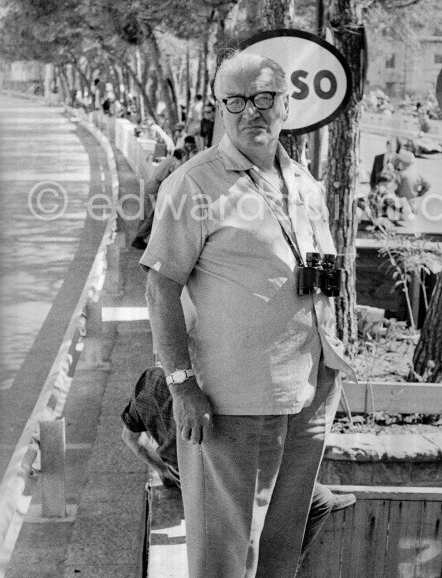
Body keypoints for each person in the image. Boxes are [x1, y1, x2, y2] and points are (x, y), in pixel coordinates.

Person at [140, 51, 355, 578]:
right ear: (219, 107)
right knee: (224, 556)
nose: (249, 112)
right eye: (234, 101)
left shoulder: (302, 181)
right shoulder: (194, 183)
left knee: (281, 551)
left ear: (286, 105)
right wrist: (182, 386)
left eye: (263, 99)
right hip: (231, 400)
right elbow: (160, 285)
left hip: (307, 391)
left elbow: (317, 272)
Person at [121, 368, 356, 561]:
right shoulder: (213, 387)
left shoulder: (149, 381)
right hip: (224, 480)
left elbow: (130, 438)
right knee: (321, 499)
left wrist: (164, 470)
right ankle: (287, 565)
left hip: (190, 479)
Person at [131, 149, 185, 250]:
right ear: (182, 155)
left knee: (145, 213)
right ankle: (138, 238)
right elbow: (173, 178)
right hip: (156, 189)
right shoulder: (176, 163)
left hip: (150, 186)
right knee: (152, 216)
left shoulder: (168, 159)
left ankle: (139, 237)